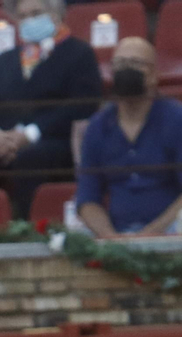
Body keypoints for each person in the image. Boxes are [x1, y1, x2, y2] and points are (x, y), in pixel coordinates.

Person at [0, 0, 99, 220]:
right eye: (24, 16)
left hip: (55, 141)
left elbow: (81, 105)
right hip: (4, 142)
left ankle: (32, 230)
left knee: (30, 160)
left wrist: (29, 134)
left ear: (55, 14)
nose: (30, 20)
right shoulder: (4, 61)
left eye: (36, 13)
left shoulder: (79, 54)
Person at [76, 38, 182, 238]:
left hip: (172, 232)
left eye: (135, 63)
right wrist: (112, 239)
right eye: (120, 64)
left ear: (154, 75)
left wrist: (151, 234)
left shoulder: (177, 120)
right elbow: (88, 199)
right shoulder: (97, 127)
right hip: (116, 235)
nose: (126, 70)